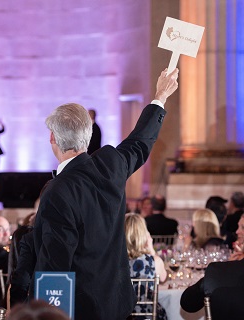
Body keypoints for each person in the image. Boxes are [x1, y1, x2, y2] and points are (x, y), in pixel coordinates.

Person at [32, 68, 179, 320]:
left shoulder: (57, 191)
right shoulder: (110, 164)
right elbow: (139, 142)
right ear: (88, 136)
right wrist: (160, 97)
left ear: (52, 138)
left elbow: (55, 264)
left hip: (81, 307)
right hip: (118, 302)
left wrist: (43, 312)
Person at [125, 213, 167, 320]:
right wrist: (151, 250)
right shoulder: (153, 261)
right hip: (148, 315)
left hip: (123, 314)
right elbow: (163, 278)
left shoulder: (116, 260)